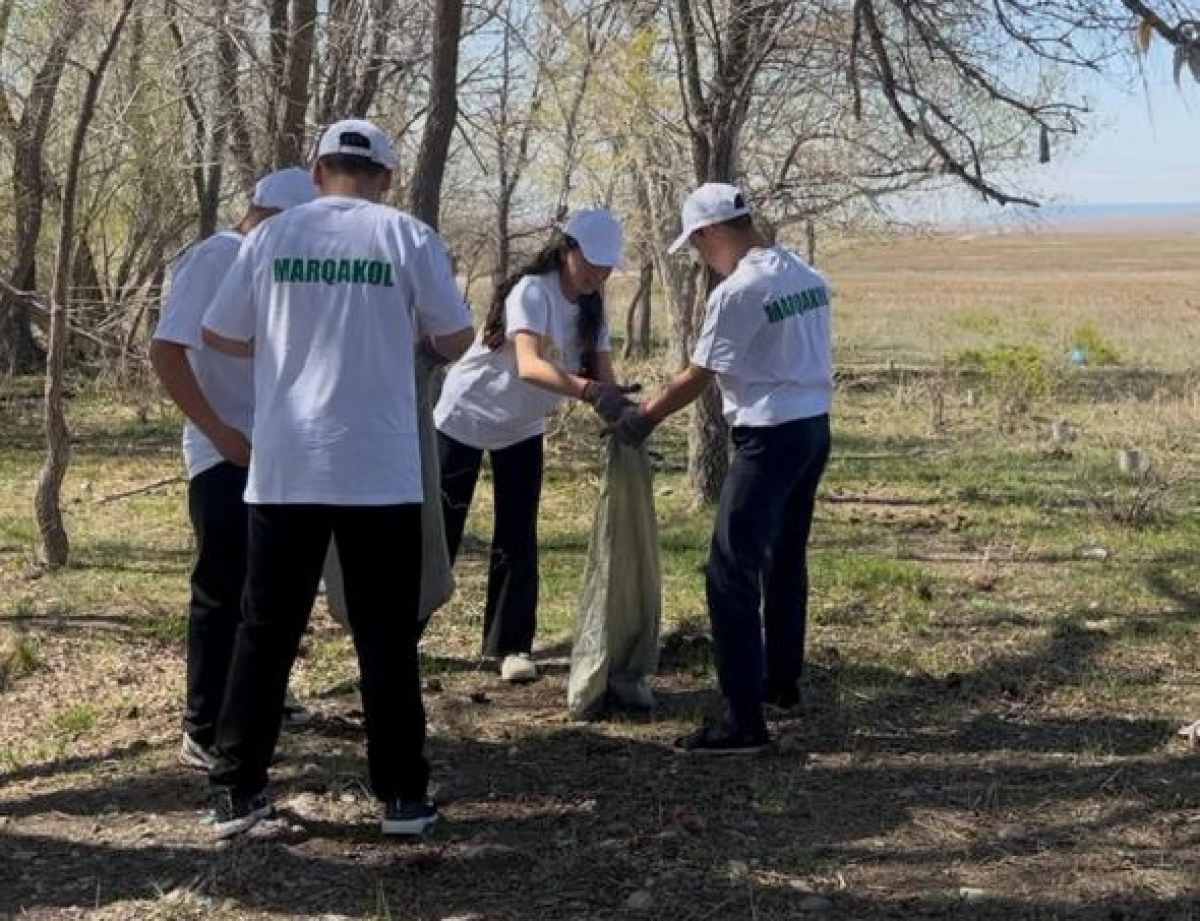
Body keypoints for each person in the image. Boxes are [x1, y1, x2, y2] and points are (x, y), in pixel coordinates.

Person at [199, 118, 474, 838]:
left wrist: (289, 333)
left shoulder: (272, 237)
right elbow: (456, 336)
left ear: (318, 171)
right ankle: (403, 797)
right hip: (379, 470)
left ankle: (236, 790)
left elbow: (220, 333)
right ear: (383, 176)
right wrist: (399, 334)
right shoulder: (406, 235)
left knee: (266, 629)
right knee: (385, 635)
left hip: (286, 465)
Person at [611, 183, 833, 755]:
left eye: (697, 245)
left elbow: (699, 373)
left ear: (712, 233)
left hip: (769, 436)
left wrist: (644, 418)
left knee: (729, 573)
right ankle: (780, 682)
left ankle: (741, 722)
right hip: (813, 429)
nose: (698, 256)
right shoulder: (804, 275)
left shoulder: (739, 291)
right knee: (784, 559)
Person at [150, 167, 317, 773]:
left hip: (274, 448)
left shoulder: (272, 263)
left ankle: (255, 698)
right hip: (223, 451)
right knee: (221, 589)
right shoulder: (218, 257)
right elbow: (167, 351)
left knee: (267, 586)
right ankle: (201, 725)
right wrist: (221, 433)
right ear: (267, 217)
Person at [433, 208, 632, 683]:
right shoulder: (533, 291)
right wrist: (587, 392)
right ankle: (400, 632)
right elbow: (529, 364)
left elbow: (603, 375)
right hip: (466, 416)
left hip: (522, 426)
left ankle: (510, 646)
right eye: (591, 263)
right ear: (567, 251)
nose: (597, 275)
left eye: (606, 268)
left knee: (517, 533)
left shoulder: (592, 306)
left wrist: (622, 411)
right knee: (441, 532)